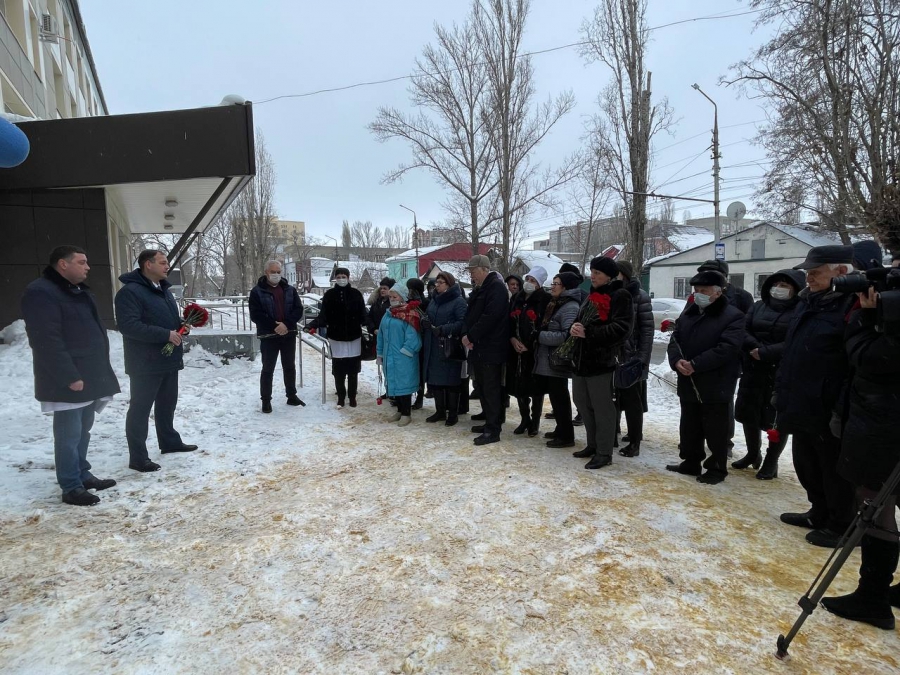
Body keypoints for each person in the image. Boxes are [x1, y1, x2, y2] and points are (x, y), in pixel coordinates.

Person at [822, 279, 900, 629]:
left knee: (875, 508)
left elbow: (868, 357)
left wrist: (866, 319)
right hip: (883, 421)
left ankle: (872, 598)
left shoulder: (885, 327)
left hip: (883, 427)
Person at [21, 245, 121, 506]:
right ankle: (71, 486)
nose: (88, 267)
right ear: (63, 264)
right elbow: (46, 339)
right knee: (68, 434)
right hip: (68, 378)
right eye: (81, 262)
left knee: (83, 430)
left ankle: (82, 473)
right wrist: (69, 376)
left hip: (89, 375)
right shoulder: (41, 292)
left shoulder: (77, 291)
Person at [775, 245, 857, 548]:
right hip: (801, 399)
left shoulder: (852, 305)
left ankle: (842, 524)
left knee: (833, 468)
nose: (808, 278)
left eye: (815, 272)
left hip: (828, 404)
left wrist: (839, 407)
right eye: (808, 273)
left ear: (841, 271)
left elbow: (851, 363)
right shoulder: (809, 302)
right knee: (807, 463)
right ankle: (819, 511)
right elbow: (792, 350)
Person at [115, 250, 198, 473]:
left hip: (168, 358)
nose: (167, 266)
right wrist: (166, 335)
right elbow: (129, 326)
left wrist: (181, 325)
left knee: (167, 403)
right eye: (162, 262)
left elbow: (165, 319)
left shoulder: (163, 290)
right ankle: (138, 457)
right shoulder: (129, 292)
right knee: (140, 409)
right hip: (145, 362)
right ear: (147, 265)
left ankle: (169, 441)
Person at [665, 269, 745, 484]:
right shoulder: (689, 313)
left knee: (715, 427)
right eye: (697, 290)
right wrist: (677, 361)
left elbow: (727, 348)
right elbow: (675, 339)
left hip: (716, 381)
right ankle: (691, 461)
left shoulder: (733, 316)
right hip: (688, 379)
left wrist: (696, 364)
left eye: (704, 290)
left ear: (718, 292)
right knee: (689, 424)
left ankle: (716, 467)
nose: (699, 294)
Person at [731, 269, 805, 478]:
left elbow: (796, 340)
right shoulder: (758, 306)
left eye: (785, 285)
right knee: (749, 414)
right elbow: (743, 329)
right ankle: (752, 453)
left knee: (776, 420)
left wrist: (766, 352)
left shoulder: (801, 310)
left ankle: (771, 461)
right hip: (753, 368)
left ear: (796, 289)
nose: (779, 288)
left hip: (780, 371)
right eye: (776, 284)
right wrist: (755, 348)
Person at [570, 257, 633, 469]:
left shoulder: (620, 295)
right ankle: (593, 444)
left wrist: (589, 333)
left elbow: (621, 329)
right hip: (582, 360)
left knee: (602, 407)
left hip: (601, 361)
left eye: (597, 273)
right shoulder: (591, 295)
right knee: (582, 402)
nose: (593, 276)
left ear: (609, 276)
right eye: (592, 271)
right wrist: (574, 327)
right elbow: (581, 320)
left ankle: (604, 452)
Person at [307, 268, 371, 408]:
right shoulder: (329, 295)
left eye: (344, 276)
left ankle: (352, 396)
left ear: (348, 277)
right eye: (339, 276)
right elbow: (323, 315)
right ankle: (341, 396)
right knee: (338, 371)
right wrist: (312, 325)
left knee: (353, 370)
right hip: (336, 338)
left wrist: (372, 326)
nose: (341, 279)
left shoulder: (356, 294)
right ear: (335, 278)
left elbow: (363, 314)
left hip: (354, 337)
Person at [463, 255, 509, 446]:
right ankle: (489, 422)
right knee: (482, 386)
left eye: (473, 271)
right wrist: (469, 335)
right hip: (480, 346)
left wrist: (471, 335)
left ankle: (493, 429)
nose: (471, 275)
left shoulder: (496, 287)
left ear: (484, 269)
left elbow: (491, 316)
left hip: (492, 347)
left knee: (491, 388)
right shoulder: (482, 288)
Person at [248, 260, 304, 413]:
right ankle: (266, 400)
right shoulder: (257, 291)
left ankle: (291, 395)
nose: (276, 275)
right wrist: (275, 326)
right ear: (266, 272)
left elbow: (298, 310)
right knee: (268, 369)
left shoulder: (290, 290)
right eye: (273, 272)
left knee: (289, 366)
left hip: (288, 334)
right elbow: (256, 314)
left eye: (279, 272)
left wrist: (286, 324)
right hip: (269, 336)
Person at [533, 272, 581, 447]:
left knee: (560, 398)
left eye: (556, 283)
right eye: (552, 283)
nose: (552, 286)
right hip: (550, 359)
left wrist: (539, 336)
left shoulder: (570, 307)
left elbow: (567, 336)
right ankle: (561, 429)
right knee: (556, 396)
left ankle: (566, 435)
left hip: (558, 361)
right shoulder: (558, 303)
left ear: (565, 287)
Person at [615, 261, 653, 458]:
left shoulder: (639, 296)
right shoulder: (611, 294)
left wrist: (642, 358)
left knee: (633, 401)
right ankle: (613, 432)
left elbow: (647, 330)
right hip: (613, 356)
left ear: (624, 274)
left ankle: (635, 440)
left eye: (616, 273)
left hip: (632, 357)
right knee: (613, 398)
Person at [508, 267, 551, 436]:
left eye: (533, 280)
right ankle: (524, 418)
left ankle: (535, 421)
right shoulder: (517, 298)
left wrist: (530, 343)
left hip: (534, 350)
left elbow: (544, 324)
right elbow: (510, 321)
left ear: (539, 284)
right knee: (520, 386)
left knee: (536, 387)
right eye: (527, 279)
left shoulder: (545, 300)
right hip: (516, 348)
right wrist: (513, 338)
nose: (528, 283)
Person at [421, 271, 467, 426]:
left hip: (449, 345)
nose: (437, 285)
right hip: (433, 345)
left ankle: (453, 414)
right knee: (436, 380)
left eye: (441, 282)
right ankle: (440, 411)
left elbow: (462, 323)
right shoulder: (434, 300)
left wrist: (443, 329)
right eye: (437, 282)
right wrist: (424, 321)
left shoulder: (458, 301)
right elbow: (428, 315)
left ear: (449, 284)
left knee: (451, 381)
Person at [376, 285, 422, 426]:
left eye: (395, 296)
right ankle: (400, 410)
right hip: (389, 356)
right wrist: (380, 352)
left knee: (404, 384)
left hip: (404, 357)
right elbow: (381, 335)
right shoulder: (388, 314)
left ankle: (406, 413)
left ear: (402, 297)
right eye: (390, 296)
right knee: (394, 383)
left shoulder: (410, 314)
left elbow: (413, 337)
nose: (392, 299)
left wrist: (406, 351)